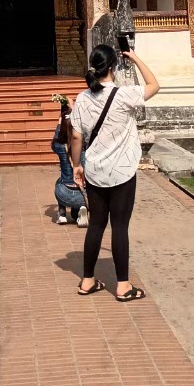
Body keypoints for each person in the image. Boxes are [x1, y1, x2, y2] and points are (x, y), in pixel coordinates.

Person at [70, 44, 159, 301]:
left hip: (95, 170)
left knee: (96, 225)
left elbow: (76, 136)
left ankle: (87, 280)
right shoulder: (124, 95)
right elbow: (154, 85)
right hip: (122, 171)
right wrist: (134, 58)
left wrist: (77, 165)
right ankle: (123, 286)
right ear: (112, 67)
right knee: (120, 227)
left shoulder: (83, 98)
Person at [52, 98, 88, 226]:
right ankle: (81, 210)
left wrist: (60, 122)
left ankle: (62, 214)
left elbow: (56, 138)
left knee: (59, 181)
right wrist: (75, 112)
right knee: (84, 183)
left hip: (64, 193)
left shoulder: (59, 146)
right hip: (83, 194)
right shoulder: (84, 145)